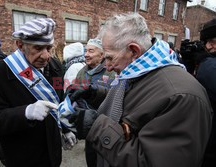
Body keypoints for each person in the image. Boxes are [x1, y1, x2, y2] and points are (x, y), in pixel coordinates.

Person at [68, 13, 213, 167]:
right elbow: (131, 101)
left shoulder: (182, 97)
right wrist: (94, 93)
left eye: (110, 58)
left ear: (134, 52)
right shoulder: (137, 71)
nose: (107, 66)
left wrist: (96, 128)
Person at [0, 18, 76, 167]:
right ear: (20, 45)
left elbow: (59, 100)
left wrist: (65, 128)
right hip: (23, 155)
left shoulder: (56, 66)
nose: (46, 56)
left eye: (49, 48)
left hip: (53, 150)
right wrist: (25, 112)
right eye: (38, 48)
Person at [66, 38, 116, 167]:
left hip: (106, 124)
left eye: (91, 51)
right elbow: (76, 90)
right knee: (91, 158)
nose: (86, 54)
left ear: (101, 54)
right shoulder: (83, 71)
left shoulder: (111, 71)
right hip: (88, 125)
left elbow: (114, 96)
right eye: (86, 51)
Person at [196, 18, 216, 167]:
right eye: (207, 42)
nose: (208, 47)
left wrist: (204, 64)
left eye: (213, 41)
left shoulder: (209, 66)